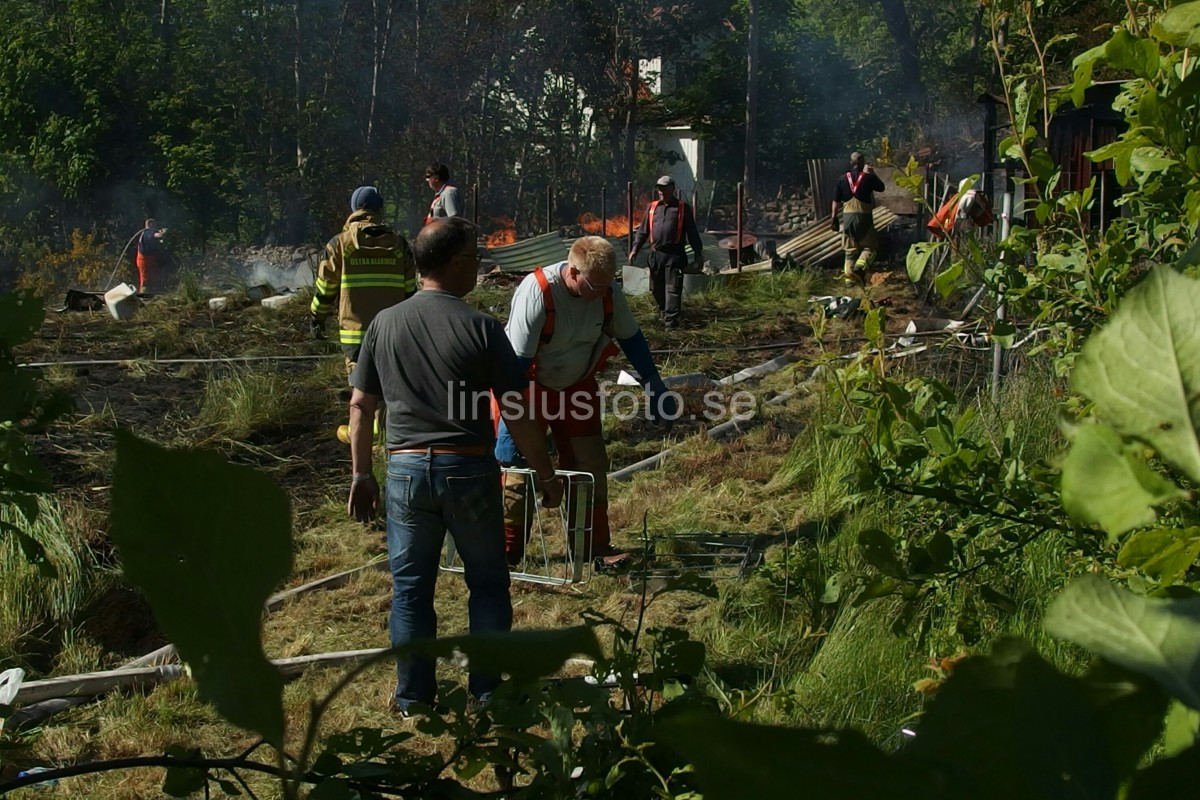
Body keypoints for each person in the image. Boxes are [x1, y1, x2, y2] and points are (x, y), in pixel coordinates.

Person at [346, 216, 564, 714]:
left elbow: (361, 406)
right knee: (486, 583)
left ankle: (413, 699)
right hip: (467, 471)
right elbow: (518, 412)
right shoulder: (482, 328)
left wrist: (361, 474)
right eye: (475, 258)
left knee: (410, 589)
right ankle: (486, 693)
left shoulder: (383, 324)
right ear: (454, 263)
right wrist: (545, 475)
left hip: (403, 474)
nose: (480, 266)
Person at [495, 236, 678, 568]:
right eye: (593, 286)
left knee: (590, 465)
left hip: (577, 386)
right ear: (573, 273)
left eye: (607, 286)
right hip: (527, 385)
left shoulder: (607, 292)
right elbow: (514, 368)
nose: (600, 294)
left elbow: (631, 337)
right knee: (517, 471)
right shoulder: (537, 292)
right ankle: (505, 554)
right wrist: (511, 428)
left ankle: (593, 547)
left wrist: (653, 381)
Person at [628, 175, 704, 330]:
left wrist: (698, 254)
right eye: (659, 189)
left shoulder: (682, 208)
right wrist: (635, 249)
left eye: (664, 188)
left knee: (672, 289)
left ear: (672, 189)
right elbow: (643, 232)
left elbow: (692, 233)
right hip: (656, 256)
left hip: (674, 256)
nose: (661, 191)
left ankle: (671, 325)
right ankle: (664, 313)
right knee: (656, 289)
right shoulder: (652, 208)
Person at [830, 151, 886, 283]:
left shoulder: (842, 179)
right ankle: (859, 268)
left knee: (849, 250)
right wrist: (871, 173)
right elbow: (882, 188)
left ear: (851, 163)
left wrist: (834, 218)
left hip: (848, 218)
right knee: (870, 247)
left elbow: (835, 201)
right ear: (862, 163)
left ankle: (849, 281)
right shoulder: (868, 178)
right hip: (864, 217)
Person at [134, 219, 167, 292]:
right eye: (155, 224)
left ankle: (153, 294)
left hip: (150, 259)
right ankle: (144, 297)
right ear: (151, 224)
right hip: (144, 260)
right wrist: (163, 233)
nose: (156, 226)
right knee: (145, 280)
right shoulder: (148, 231)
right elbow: (157, 235)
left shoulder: (145, 233)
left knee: (154, 278)